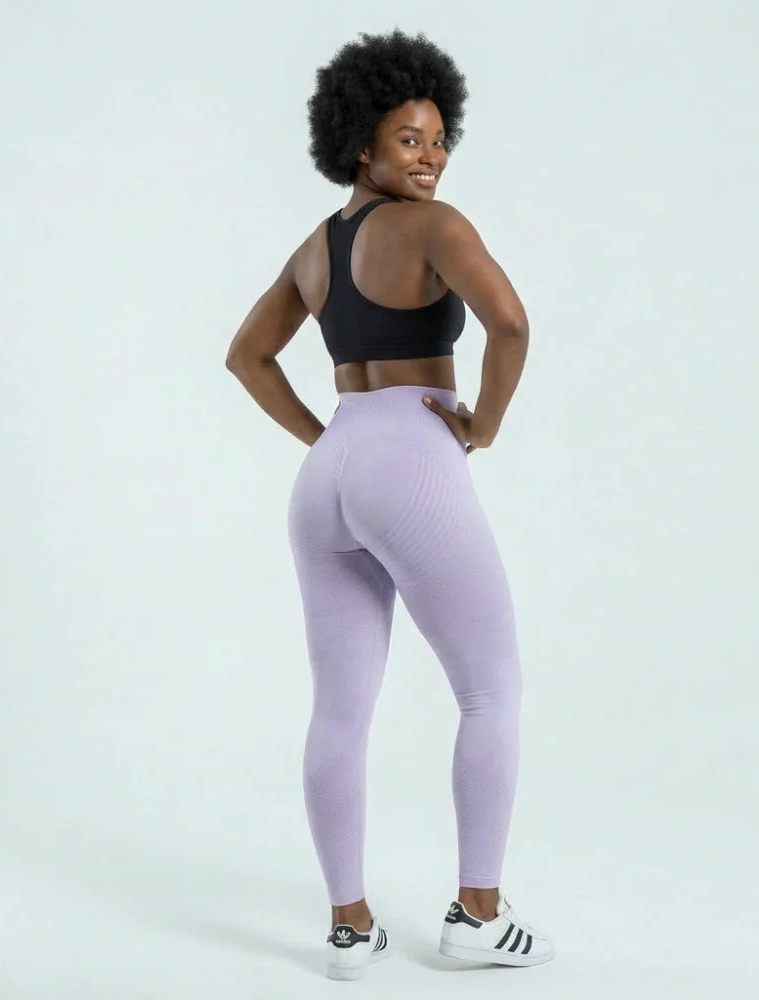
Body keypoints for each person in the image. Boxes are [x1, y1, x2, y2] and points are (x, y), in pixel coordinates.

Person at [225, 28, 554, 981]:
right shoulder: (435, 229)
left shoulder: (315, 249)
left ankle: (349, 927)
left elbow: (247, 357)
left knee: (340, 709)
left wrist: (328, 441)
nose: (431, 157)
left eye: (441, 140)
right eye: (409, 138)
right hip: (409, 457)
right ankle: (478, 915)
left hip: (329, 475)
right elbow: (511, 322)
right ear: (359, 141)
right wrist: (484, 422)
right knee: (490, 691)